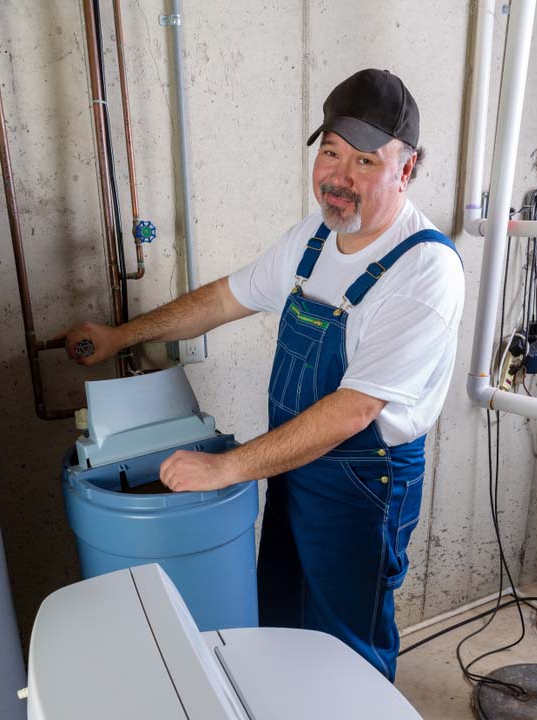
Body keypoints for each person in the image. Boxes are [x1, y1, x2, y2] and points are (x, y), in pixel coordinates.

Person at [58, 68, 464, 683]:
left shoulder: (425, 270)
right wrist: (123, 335)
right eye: (330, 152)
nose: (339, 178)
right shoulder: (314, 238)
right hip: (295, 466)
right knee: (282, 619)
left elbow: (354, 410)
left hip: (365, 483)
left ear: (406, 170)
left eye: (365, 162)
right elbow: (225, 299)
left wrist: (226, 467)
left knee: (347, 639)